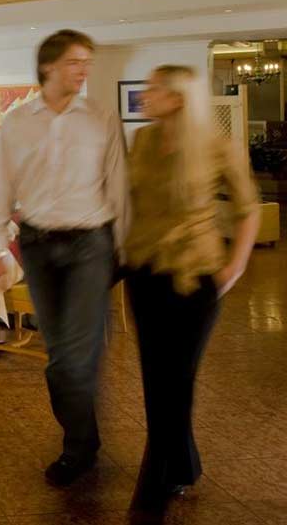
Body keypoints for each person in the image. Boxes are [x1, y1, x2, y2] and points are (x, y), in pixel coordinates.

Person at [0, 29, 129, 486]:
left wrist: (124, 249)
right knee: (59, 356)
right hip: (38, 245)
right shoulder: (17, 122)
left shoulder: (101, 118)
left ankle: (78, 448)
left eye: (87, 62)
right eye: (74, 62)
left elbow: (118, 184)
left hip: (90, 244)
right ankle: (83, 436)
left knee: (77, 356)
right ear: (48, 66)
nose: (84, 70)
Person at [125, 65, 259, 516]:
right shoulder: (142, 141)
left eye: (154, 89)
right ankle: (183, 465)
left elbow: (247, 208)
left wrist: (234, 267)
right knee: (155, 379)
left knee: (177, 382)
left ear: (178, 98)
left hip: (193, 277)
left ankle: (153, 489)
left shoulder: (217, 146)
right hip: (145, 273)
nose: (145, 95)